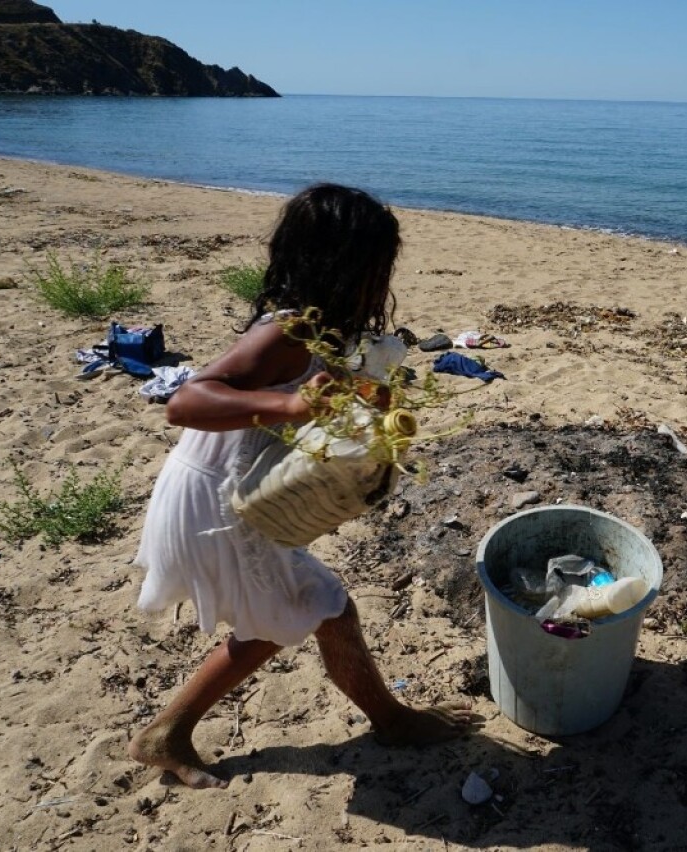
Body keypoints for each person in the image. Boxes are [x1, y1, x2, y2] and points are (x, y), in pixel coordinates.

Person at [128, 184, 472, 789]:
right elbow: (183, 401)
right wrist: (289, 405)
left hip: (233, 494)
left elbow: (316, 400)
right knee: (307, 611)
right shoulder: (285, 330)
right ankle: (168, 732)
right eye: (376, 266)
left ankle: (385, 719)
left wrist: (369, 402)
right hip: (215, 499)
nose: (380, 281)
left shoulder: (318, 330)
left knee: (320, 609)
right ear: (346, 264)